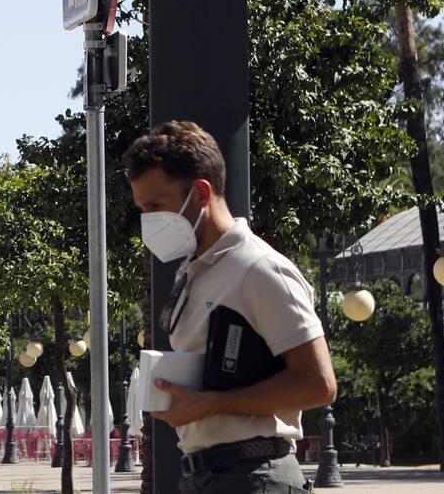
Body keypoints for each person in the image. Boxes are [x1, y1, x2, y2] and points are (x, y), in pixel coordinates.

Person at [126, 121, 337, 494]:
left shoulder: (258, 267)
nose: (149, 221)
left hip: (253, 474)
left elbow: (318, 385)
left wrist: (212, 405)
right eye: (143, 209)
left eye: (156, 206)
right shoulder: (195, 271)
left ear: (201, 193)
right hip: (208, 474)